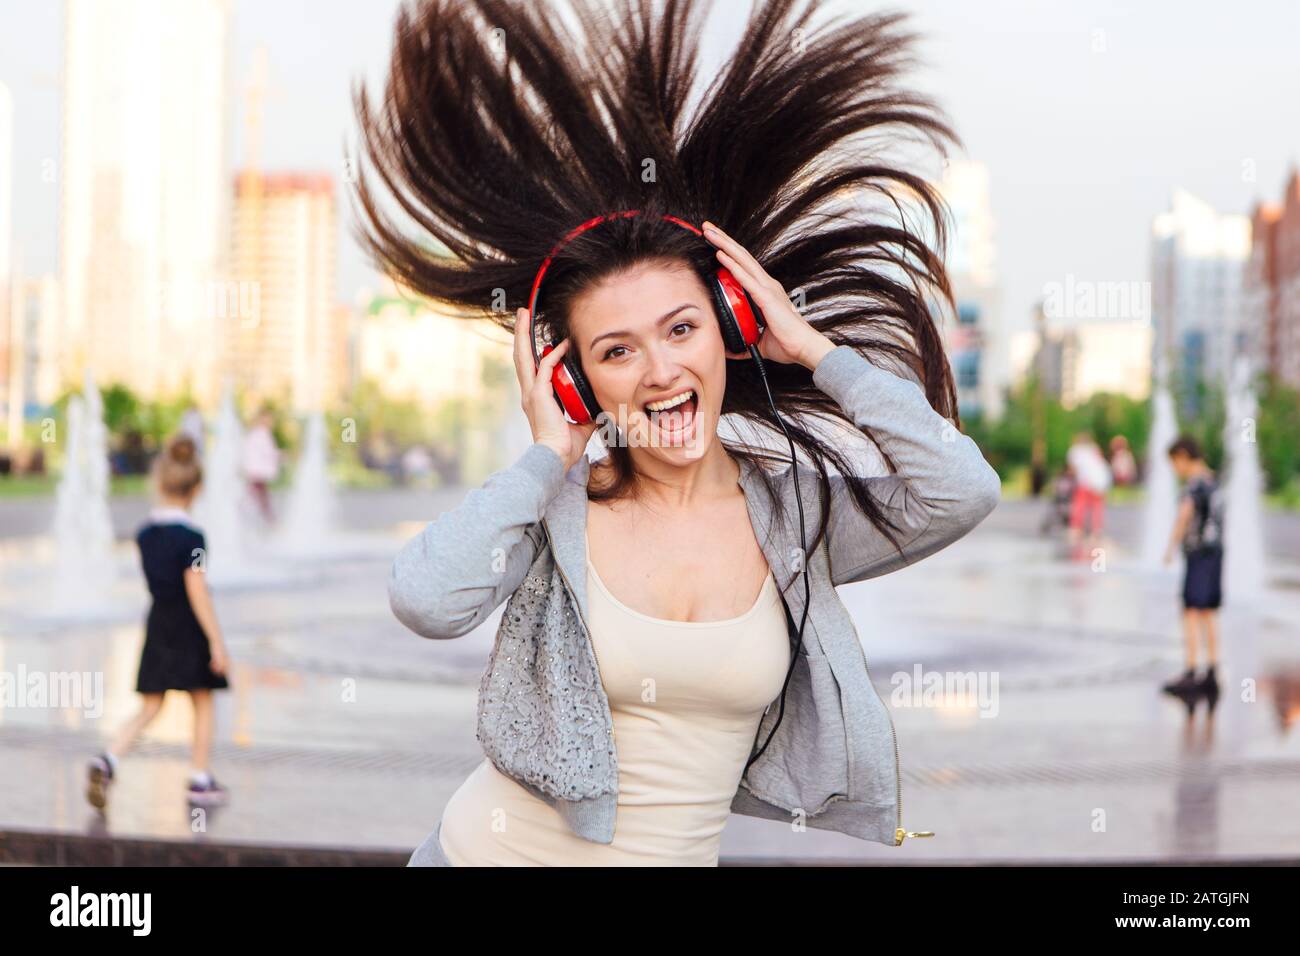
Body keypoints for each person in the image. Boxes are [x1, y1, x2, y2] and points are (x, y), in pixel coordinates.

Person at [356, 0, 1001, 866]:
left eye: (683, 329)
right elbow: (425, 599)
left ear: (732, 332)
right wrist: (550, 453)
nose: (660, 370)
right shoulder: (562, 514)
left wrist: (815, 351)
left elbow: (963, 491)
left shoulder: (792, 519)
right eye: (617, 351)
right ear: (576, 382)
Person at [86, 434, 232, 810]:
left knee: (151, 705)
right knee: (202, 700)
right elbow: (197, 590)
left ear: (160, 483)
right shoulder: (195, 538)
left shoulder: (145, 535)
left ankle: (109, 758)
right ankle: (199, 778)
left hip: (157, 625)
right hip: (188, 626)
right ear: (196, 488)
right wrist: (216, 640)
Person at [1161, 435, 1225, 696]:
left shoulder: (1194, 486)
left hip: (1198, 555)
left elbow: (1184, 516)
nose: (1176, 470)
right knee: (1208, 611)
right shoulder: (1215, 482)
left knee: (1190, 610)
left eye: (1175, 463)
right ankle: (1211, 671)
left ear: (1184, 457)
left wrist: (1170, 548)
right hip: (1216, 554)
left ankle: (1190, 670)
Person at [1066, 431, 1112, 546]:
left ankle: (1077, 529)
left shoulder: (1075, 451)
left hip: (1087, 482)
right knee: (1097, 507)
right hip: (1100, 481)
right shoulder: (1094, 449)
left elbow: (1073, 469)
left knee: (1080, 505)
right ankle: (1096, 531)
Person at [240, 407, 280, 524]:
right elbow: (268, 452)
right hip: (258, 471)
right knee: (258, 497)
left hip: (254, 471)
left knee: (256, 496)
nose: (271, 422)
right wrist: (282, 455)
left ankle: (266, 519)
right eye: (269, 419)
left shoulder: (254, 432)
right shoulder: (262, 433)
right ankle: (269, 520)